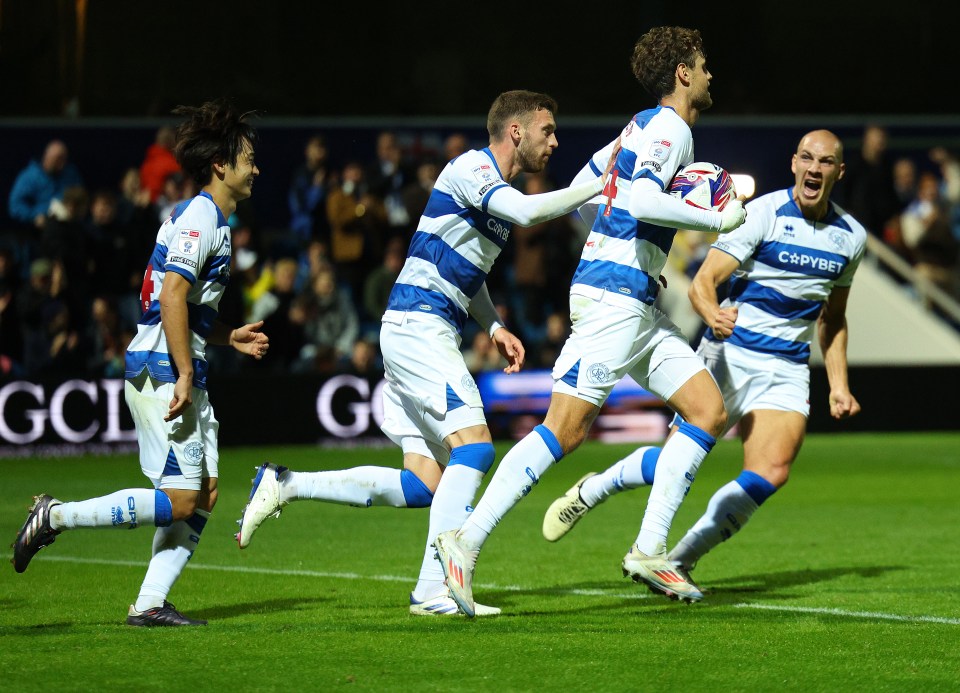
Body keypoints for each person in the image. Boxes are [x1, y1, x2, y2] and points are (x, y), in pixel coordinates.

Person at [236, 89, 616, 617]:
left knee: (424, 484)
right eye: (547, 131)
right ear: (516, 132)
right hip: (419, 325)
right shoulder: (471, 169)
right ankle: (433, 589)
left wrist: (495, 325)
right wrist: (598, 186)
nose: (554, 141)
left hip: (419, 327)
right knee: (477, 448)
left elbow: (472, 274)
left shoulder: (497, 196)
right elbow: (530, 213)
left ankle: (286, 484)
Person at [432, 26, 748, 616]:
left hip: (634, 296)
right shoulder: (670, 128)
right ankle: (464, 542)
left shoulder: (640, 125)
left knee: (707, 409)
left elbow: (588, 181)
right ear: (682, 73)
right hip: (614, 297)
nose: (710, 74)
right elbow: (641, 201)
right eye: (703, 65)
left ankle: (651, 551)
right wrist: (717, 223)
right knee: (566, 429)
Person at [541, 130, 866, 595]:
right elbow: (703, 282)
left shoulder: (850, 238)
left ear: (839, 171)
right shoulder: (761, 215)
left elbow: (833, 320)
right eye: (807, 159)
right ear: (794, 163)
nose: (815, 169)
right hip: (731, 354)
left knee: (772, 471)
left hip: (788, 367)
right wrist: (713, 313)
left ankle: (678, 559)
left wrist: (839, 384)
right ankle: (594, 489)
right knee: (678, 459)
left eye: (826, 162)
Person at [11, 99, 270, 627]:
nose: (256, 168)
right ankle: (55, 515)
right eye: (247, 158)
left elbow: (178, 306)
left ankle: (150, 603)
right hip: (161, 368)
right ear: (221, 165)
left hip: (172, 361)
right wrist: (186, 372)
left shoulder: (203, 217)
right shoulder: (201, 218)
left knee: (203, 495)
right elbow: (171, 297)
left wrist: (226, 336)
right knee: (178, 500)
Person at [8, 139, 84, 229]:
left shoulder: (71, 173)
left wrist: (75, 209)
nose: (61, 165)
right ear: (46, 157)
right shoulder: (29, 176)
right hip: (41, 228)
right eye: (57, 160)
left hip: (68, 226)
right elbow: (15, 205)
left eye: (63, 160)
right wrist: (34, 217)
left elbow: (81, 197)